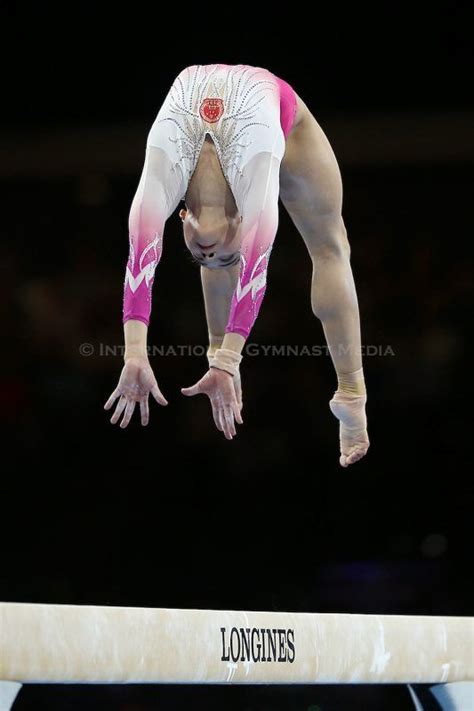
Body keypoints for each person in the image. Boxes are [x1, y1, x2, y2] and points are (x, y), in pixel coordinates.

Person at [104, 63, 369, 467]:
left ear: (180, 220)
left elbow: (139, 262)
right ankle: (345, 391)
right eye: (223, 259)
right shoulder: (253, 195)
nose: (208, 255)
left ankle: (351, 391)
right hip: (264, 113)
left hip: (278, 112)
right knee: (326, 247)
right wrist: (224, 361)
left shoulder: (164, 176)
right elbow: (252, 272)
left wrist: (135, 354)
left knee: (330, 247)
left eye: (204, 257)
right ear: (240, 227)